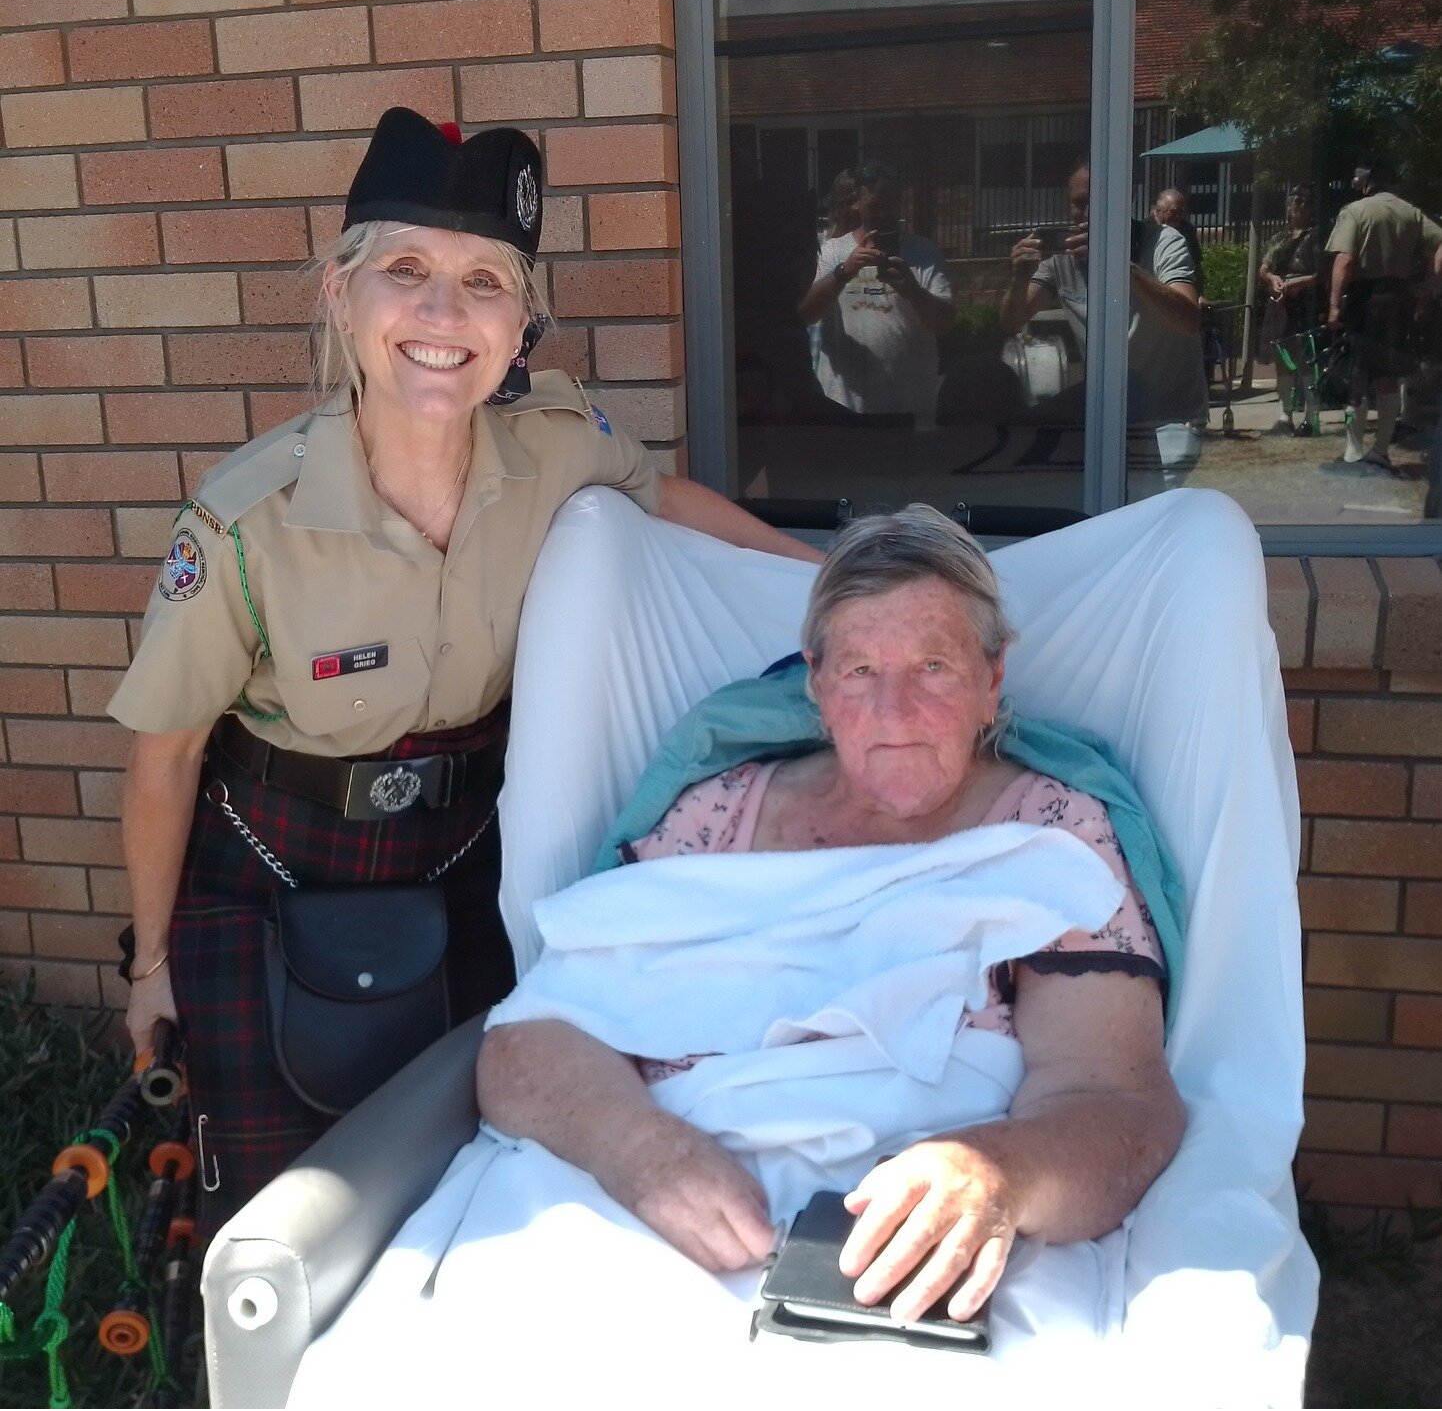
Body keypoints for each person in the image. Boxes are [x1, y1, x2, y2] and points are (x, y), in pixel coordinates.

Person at [287, 505, 1185, 1405]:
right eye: (862, 670)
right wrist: (639, 1150)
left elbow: (1113, 1099)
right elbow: (534, 1042)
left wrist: (999, 1175)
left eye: (935, 668)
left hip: (908, 1228)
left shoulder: (1054, 833)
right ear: (817, 687)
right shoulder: (719, 815)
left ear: (994, 682)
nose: (894, 709)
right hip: (652, 1193)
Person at [110, 106, 820, 1227]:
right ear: (341, 296)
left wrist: (827, 583)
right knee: (276, 1218)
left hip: (465, 858)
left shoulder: (556, 447)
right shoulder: (249, 520)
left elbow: (667, 497)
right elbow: (166, 759)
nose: (443, 314)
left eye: (485, 281)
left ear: (521, 322)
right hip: (269, 874)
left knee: (478, 1178)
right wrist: (148, 963)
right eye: (405, 270)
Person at [1000, 163, 1207, 484]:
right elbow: (1012, 320)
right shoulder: (1064, 259)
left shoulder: (1163, 241)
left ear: (1124, 199)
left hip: (1169, 416)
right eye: (1077, 203)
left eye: (1093, 203)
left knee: (1147, 494)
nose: (1083, 214)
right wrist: (1018, 278)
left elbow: (1188, 320)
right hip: (1107, 416)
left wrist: (1121, 264)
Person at [797, 162, 954, 428]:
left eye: (890, 206)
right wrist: (844, 271)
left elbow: (945, 324)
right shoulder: (833, 251)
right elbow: (805, 315)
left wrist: (913, 291)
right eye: (876, 206)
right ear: (857, 204)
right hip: (845, 409)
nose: (884, 215)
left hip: (911, 410)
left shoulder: (924, 253)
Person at [1323, 160, 1442, 476]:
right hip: (1399, 300)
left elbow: (1345, 260)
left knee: (1356, 377)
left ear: (1366, 183)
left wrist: (1334, 305)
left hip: (1366, 301)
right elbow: (1441, 243)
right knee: (1388, 377)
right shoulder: (1410, 212)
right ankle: (1381, 450)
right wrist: (1429, 286)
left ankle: (1352, 451)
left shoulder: (1356, 210)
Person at [1259, 185, 1323, 435]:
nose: (1300, 208)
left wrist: (1296, 283)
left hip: (1304, 303)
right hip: (1279, 302)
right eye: (1296, 203)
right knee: (1282, 360)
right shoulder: (1279, 238)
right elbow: (1263, 269)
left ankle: (1312, 417)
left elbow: (1321, 273)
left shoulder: (1316, 237)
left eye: (1305, 204)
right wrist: (1273, 279)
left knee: (1306, 360)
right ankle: (1285, 416)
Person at [1152, 187, 1206, 299]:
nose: (1178, 217)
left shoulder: (1187, 230)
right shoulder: (1146, 230)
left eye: (1181, 212)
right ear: (1158, 211)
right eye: (1173, 212)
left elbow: (1197, 266)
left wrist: (1200, 295)